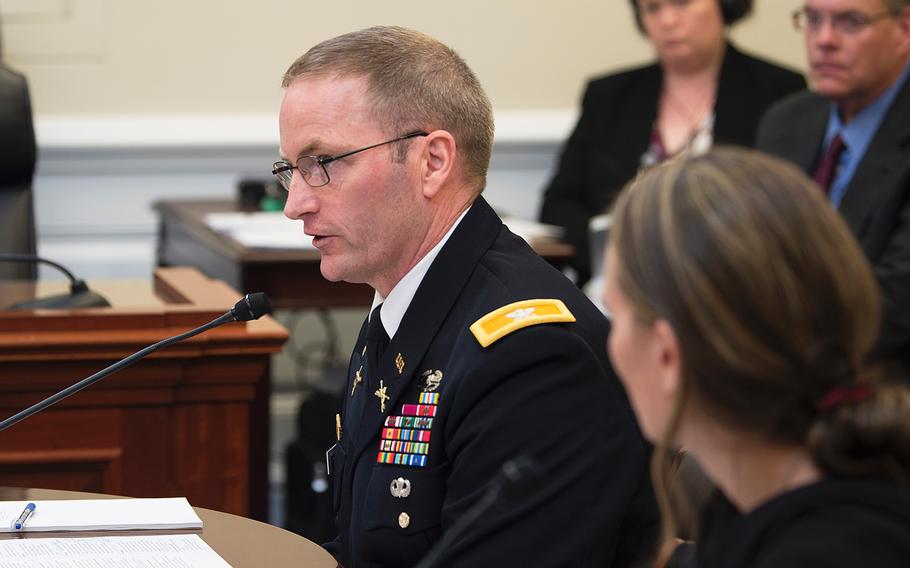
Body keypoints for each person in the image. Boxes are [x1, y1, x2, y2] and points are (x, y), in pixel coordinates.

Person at [275, 26, 657, 567]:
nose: (295, 203)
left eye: (324, 164)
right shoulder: (402, 305)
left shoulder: (532, 356)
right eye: (291, 169)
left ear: (432, 162)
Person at [601, 147, 910, 568]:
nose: (610, 340)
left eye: (615, 315)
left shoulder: (821, 548)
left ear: (668, 355)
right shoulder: (766, 504)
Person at [540, 0, 805, 286]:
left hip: (735, 285)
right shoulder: (608, 96)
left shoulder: (778, 91)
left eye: (682, 3)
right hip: (620, 285)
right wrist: (620, 256)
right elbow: (559, 205)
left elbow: (783, 212)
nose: (667, 21)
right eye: (652, 8)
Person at [756, 0, 910, 378]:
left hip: (881, 388)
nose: (824, 40)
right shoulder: (784, 121)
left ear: (905, 29)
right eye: (813, 19)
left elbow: (896, 302)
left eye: (851, 22)